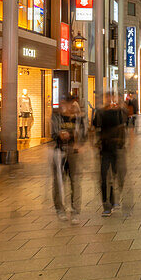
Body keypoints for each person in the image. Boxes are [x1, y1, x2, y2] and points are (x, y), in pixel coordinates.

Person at [92, 96, 128, 217]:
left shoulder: (117, 113)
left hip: (116, 148)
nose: (110, 101)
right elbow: (95, 128)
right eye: (108, 98)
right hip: (105, 149)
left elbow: (123, 127)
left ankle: (113, 200)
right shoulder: (100, 113)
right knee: (104, 176)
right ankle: (106, 205)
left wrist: (122, 143)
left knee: (115, 175)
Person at [51, 95, 84, 223]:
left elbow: (84, 133)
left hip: (74, 152)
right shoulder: (56, 116)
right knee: (59, 181)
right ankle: (60, 209)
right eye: (70, 104)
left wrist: (79, 142)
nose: (72, 107)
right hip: (59, 151)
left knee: (75, 181)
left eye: (74, 104)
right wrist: (59, 134)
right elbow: (53, 133)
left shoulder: (78, 118)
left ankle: (75, 210)